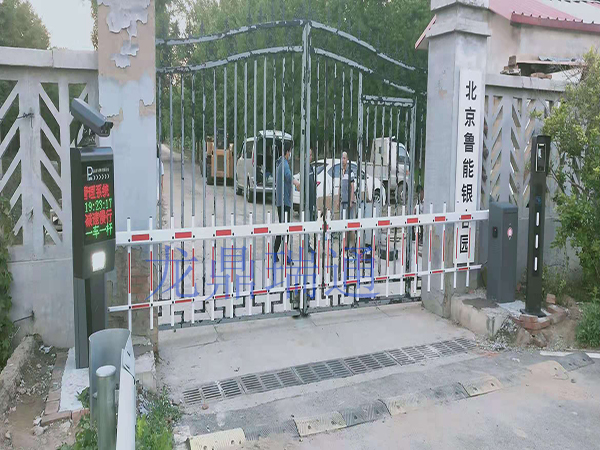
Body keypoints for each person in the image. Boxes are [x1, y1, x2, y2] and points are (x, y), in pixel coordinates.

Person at [274, 144, 300, 264]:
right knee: (286, 230)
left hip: (280, 201)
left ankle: (275, 253)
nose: (290, 155)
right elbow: (289, 177)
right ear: (287, 152)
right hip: (285, 202)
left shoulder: (279, 163)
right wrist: (297, 183)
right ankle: (284, 256)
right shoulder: (284, 164)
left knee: (282, 228)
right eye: (290, 152)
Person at [340, 151, 356, 249]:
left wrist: (351, 200)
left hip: (348, 202)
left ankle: (352, 244)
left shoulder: (350, 172)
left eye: (344, 158)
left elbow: (352, 187)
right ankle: (345, 244)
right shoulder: (341, 172)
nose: (343, 160)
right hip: (343, 201)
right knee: (343, 223)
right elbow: (340, 186)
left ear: (347, 159)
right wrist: (338, 199)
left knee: (350, 224)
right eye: (342, 158)